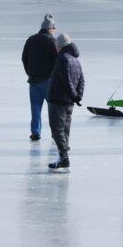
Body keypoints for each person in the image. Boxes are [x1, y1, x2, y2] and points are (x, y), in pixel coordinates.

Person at [46, 32, 84, 170]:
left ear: (60, 46)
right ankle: (63, 156)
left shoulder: (62, 58)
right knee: (65, 129)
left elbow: (66, 80)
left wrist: (74, 96)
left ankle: (64, 157)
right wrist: (78, 96)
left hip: (58, 99)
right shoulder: (75, 59)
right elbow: (81, 80)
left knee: (57, 129)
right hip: (68, 102)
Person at [22, 14, 58, 141]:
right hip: (49, 81)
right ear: (50, 28)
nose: (55, 31)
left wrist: (29, 72)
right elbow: (57, 61)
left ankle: (35, 132)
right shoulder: (53, 42)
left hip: (33, 81)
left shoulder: (30, 40)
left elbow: (24, 59)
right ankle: (55, 133)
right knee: (53, 109)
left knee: (35, 108)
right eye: (54, 28)